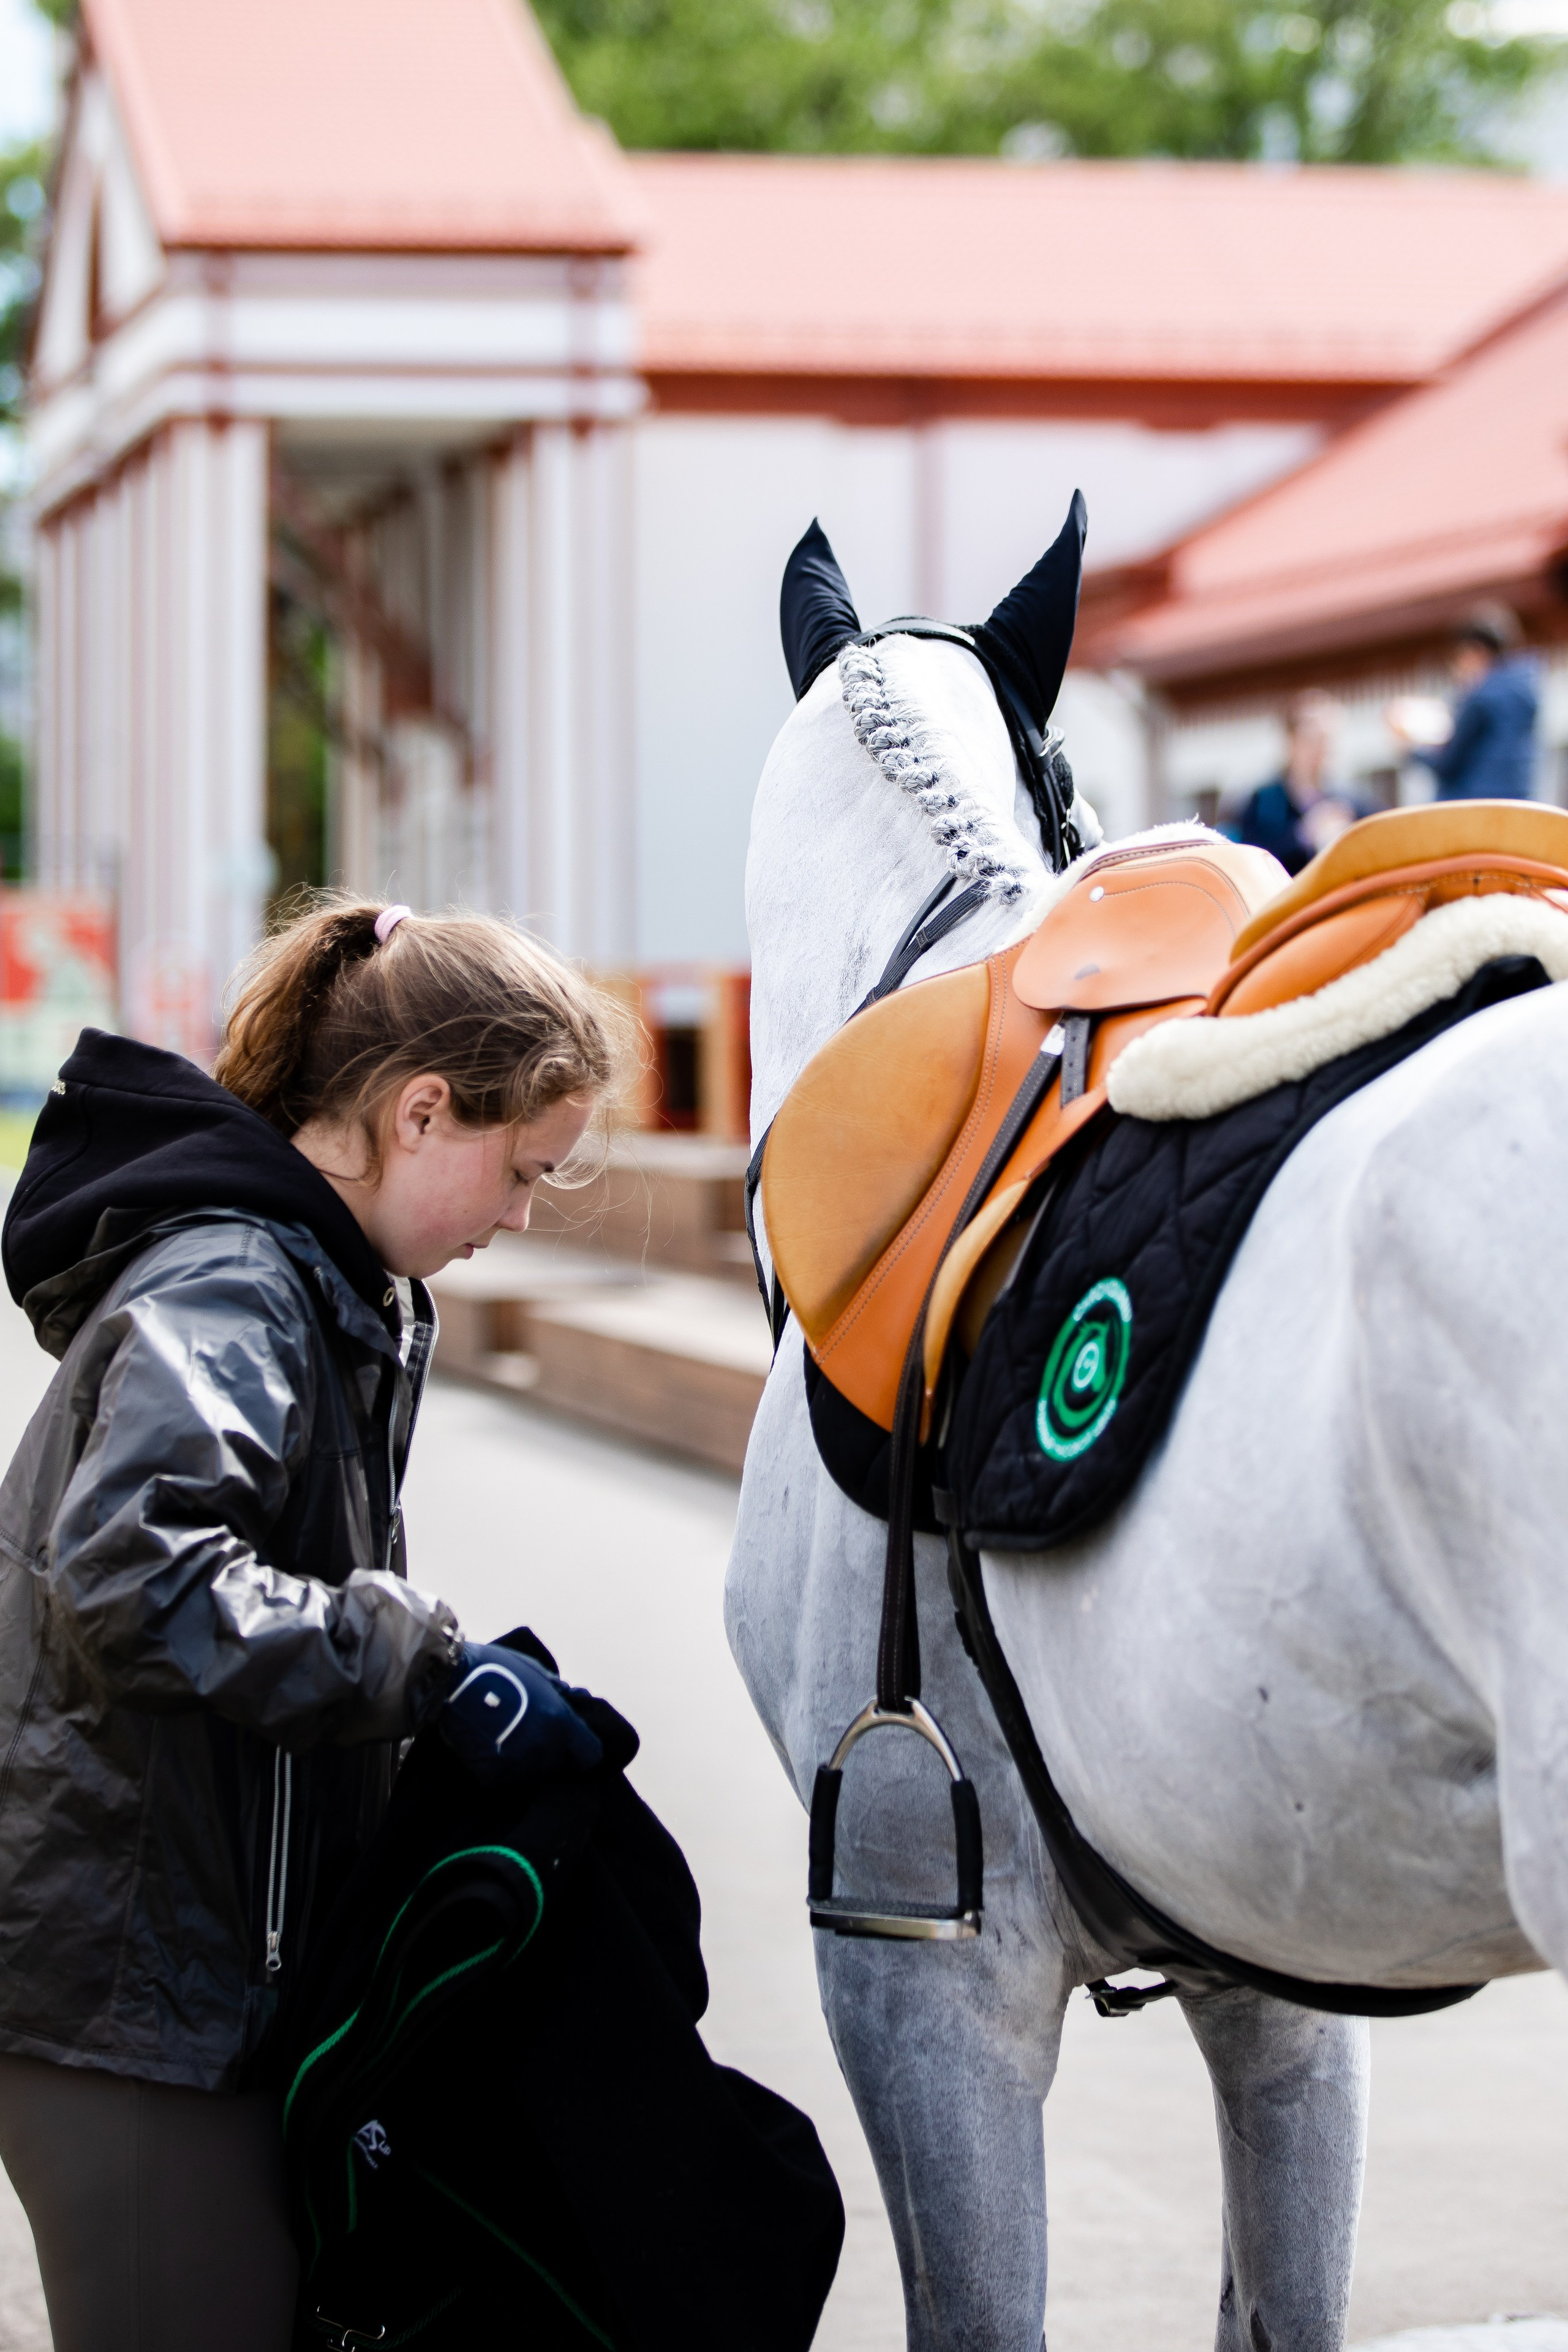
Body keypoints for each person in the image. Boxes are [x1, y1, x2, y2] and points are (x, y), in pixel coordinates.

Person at [0, 899, 632, 2352]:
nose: (521, 1214)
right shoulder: (237, 1279)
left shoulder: (319, 1280)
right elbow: (132, 1573)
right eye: (521, 1167)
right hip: (131, 2007)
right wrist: (412, 1661)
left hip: (187, 1983)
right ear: (420, 1111)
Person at [1387, 603, 1539, 801]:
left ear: (1475, 651)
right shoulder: (1525, 689)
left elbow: (1447, 765)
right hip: (1515, 804)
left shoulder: (1480, 698)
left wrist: (1411, 750)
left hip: (1473, 808)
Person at [1223, 691, 1364, 876]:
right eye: (1314, 740)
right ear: (1291, 741)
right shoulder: (1262, 803)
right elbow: (1246, 862)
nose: (1323, 750)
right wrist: (1303, 836)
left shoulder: (1350, 802)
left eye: (1328, 740)